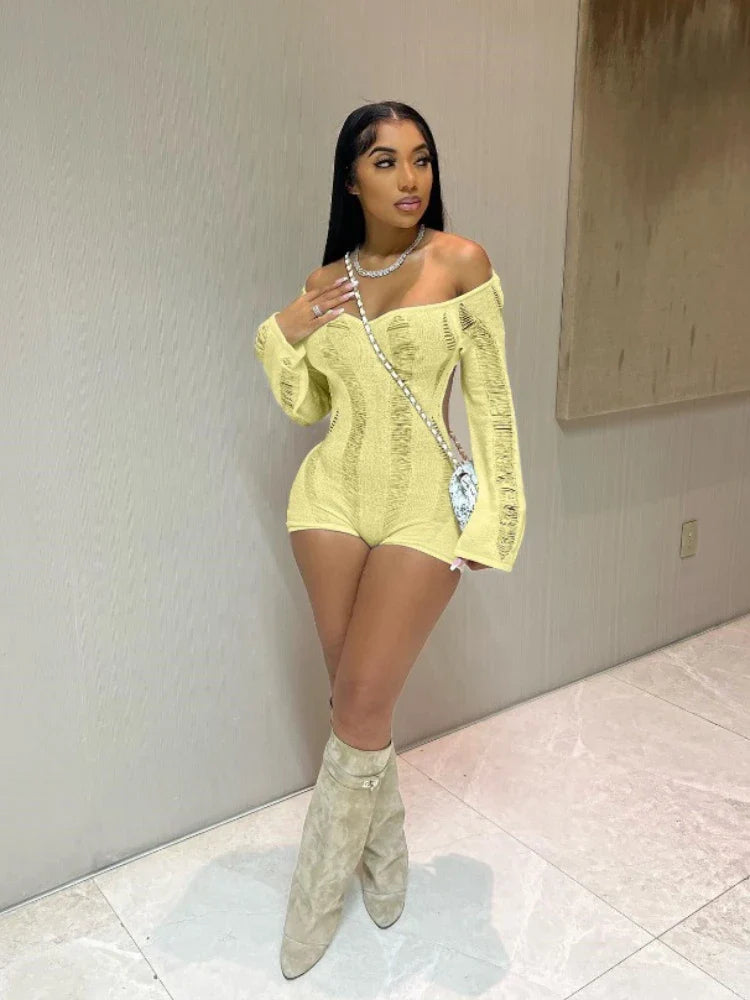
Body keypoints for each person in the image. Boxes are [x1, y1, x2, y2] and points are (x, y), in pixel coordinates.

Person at [254, 100, 526, 979]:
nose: (409, 179)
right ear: (350, 180)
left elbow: (490, 404)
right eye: (385, 161)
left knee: (363, 702)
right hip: (330, 498)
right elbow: (307, 404)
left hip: (424, 505)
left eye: (421, 159)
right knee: (353, 704)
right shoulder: (326, 282)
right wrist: (284, 331)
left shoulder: (460, 261)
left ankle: (310, 908)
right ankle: (387, 858)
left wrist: (495, 519)